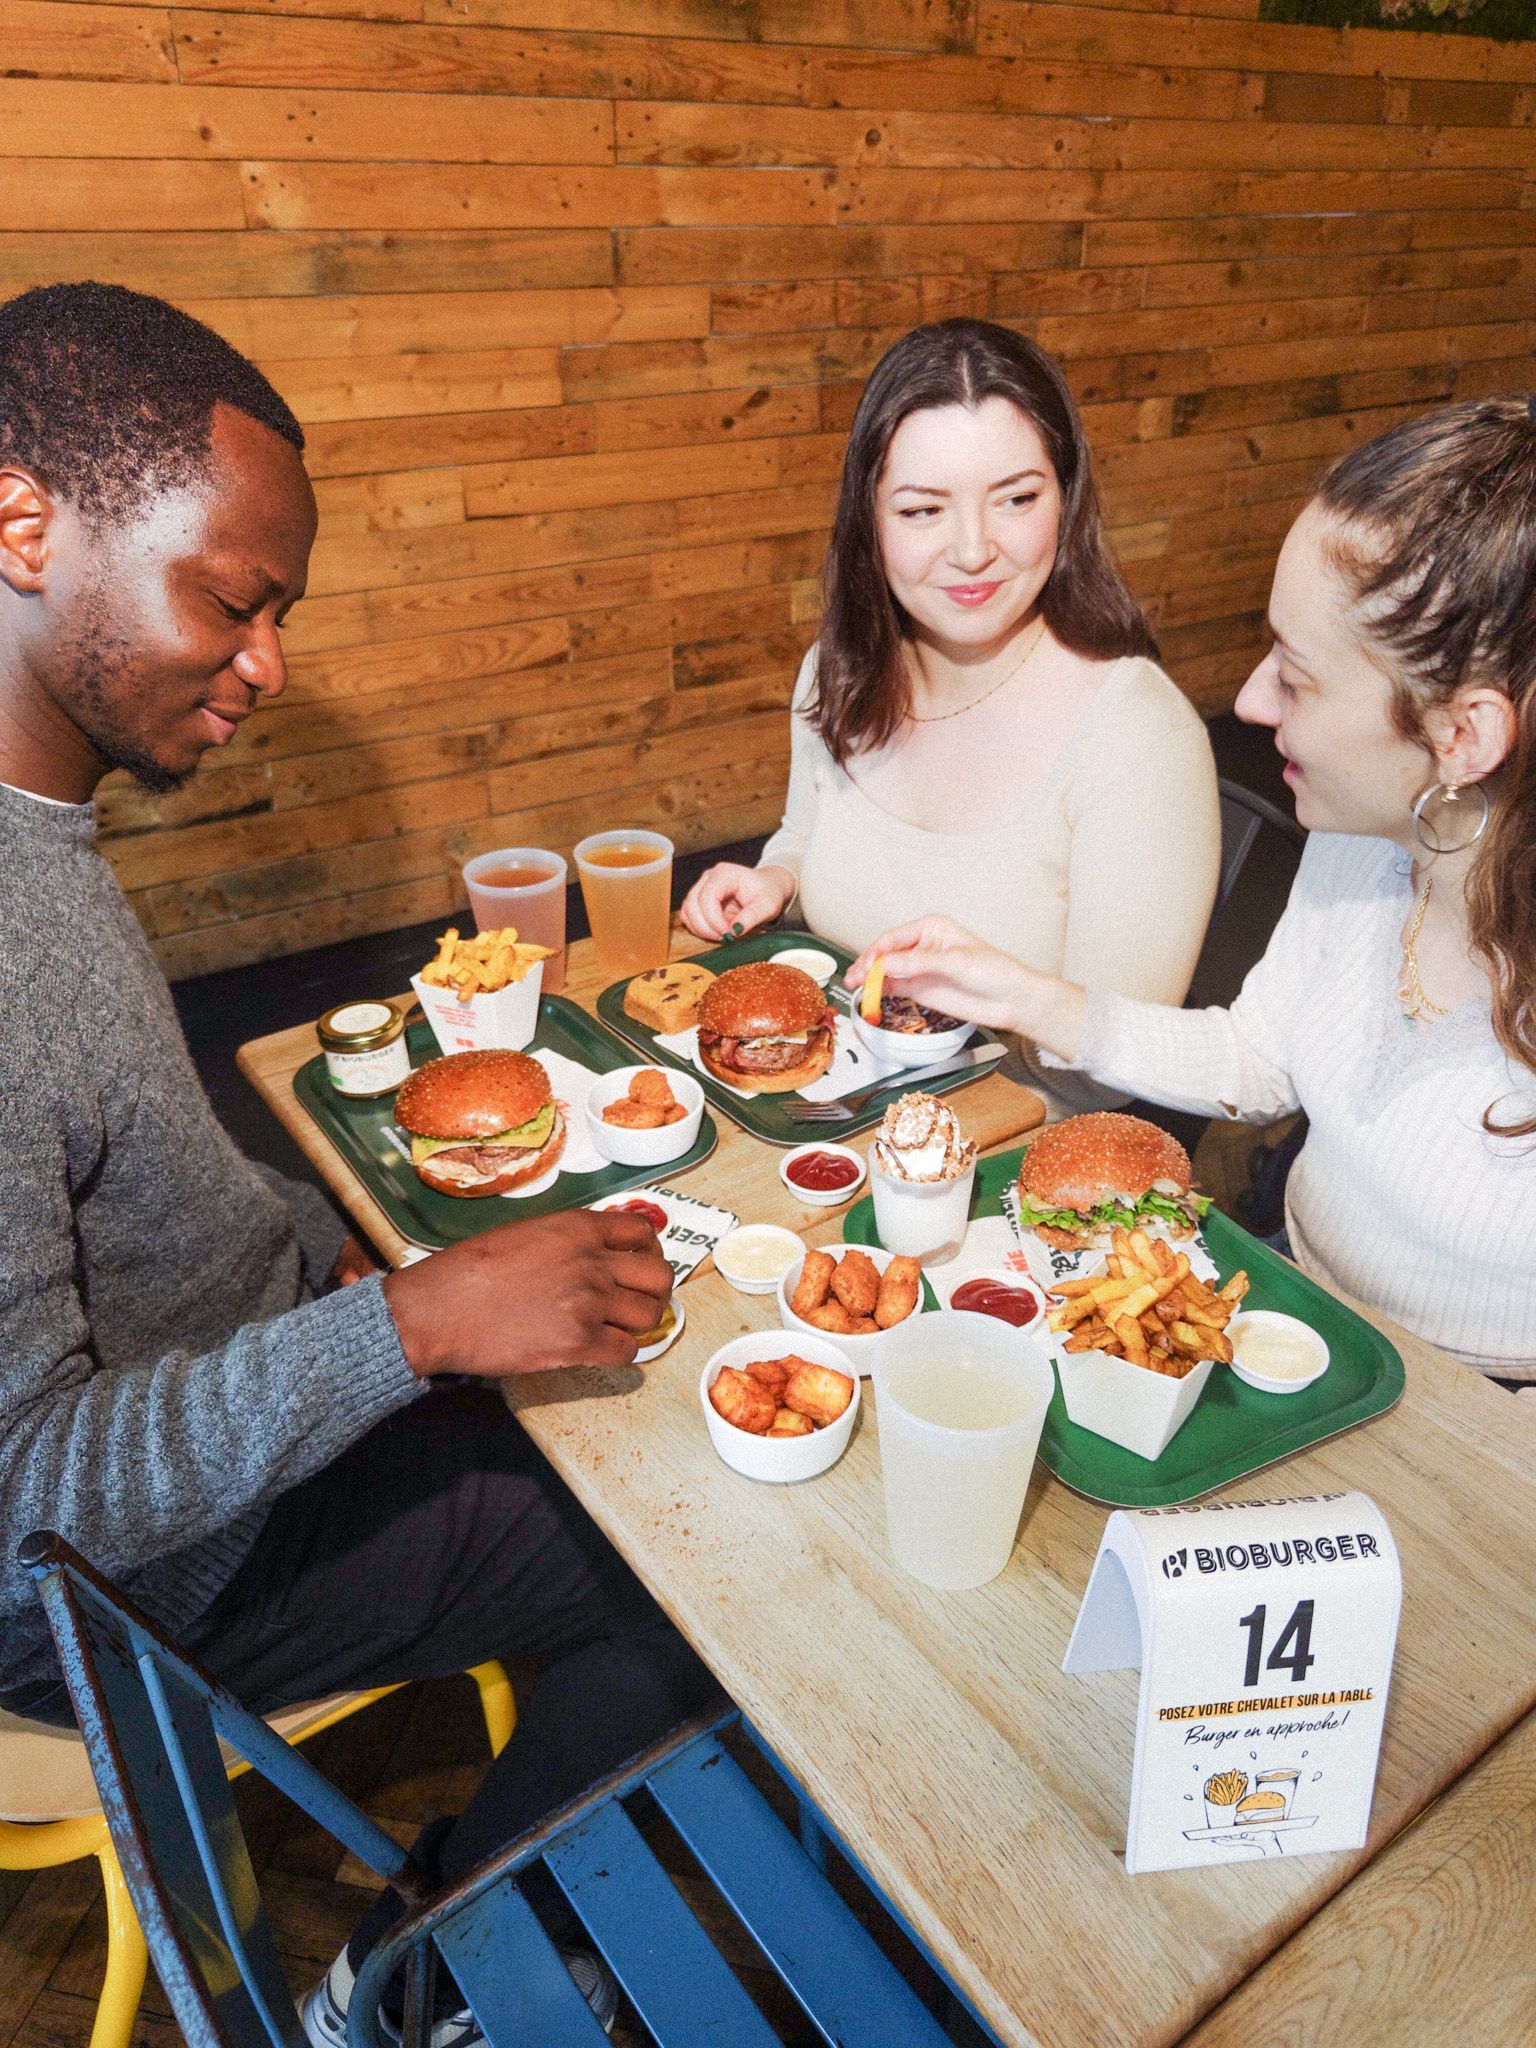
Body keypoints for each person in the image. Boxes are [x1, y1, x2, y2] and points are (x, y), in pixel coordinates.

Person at [0, 282, 717, 2043]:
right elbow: (23, 1504)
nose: (269, 665)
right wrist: (404, 1324)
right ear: (23, 523)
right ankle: (416, 1989)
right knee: (697, 1564)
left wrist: (329, 1248)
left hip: (213, 1444)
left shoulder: (41, 835)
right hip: (110, 1603)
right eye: (232, 602)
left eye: (283, 615)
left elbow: (127, 1189)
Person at [848, 397, 1536, 1388]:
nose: (1249, 700)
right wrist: (1023, 993)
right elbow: (1262, 1061)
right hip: (1297, 1310)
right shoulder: (1367, 832)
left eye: (1295, 676)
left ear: (1462, 737)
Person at [680, 319, 1221, 1109]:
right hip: (835, 1101)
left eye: (1017, 499)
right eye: (923, 511)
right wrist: (776, 878)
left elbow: (1117, 1065)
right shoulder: (838, 672)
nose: (972, 551)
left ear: (1067, 499)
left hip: (1011, 1144)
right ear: (868, 521)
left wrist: (998, 999)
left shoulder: (1139, 735)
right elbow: (807, 831)